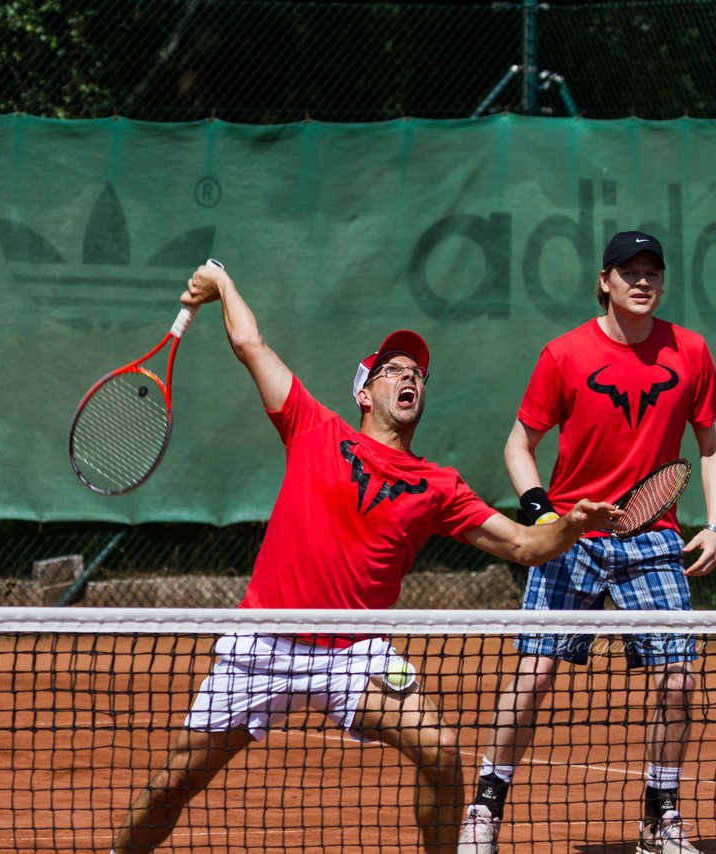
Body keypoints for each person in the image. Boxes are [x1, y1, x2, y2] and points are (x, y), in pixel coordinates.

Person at [111, 262, 619, 854]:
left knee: (442, 753)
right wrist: (223, 283)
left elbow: (524, 545)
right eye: (394, 370)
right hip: (265, 641)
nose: (410, 378)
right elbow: (249, 343)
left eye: (418, 374)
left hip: (355, 655)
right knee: (176, 780)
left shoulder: (439, 485)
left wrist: (571, 526)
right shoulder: (312, 427)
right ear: (364, 390)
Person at [457, 231, 716, 854]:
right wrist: (545, 515)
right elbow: (518, 446)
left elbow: (711, 444)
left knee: (680, 680)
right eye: (629, 271)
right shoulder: (564, 354)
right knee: (535, 675)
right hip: (574, 535)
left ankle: (660, 819)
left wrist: (714, 524)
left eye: (652, 272)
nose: (643, 281)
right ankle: (485, 809)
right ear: (604, 280)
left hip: (653, 537)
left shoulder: (690, 350)